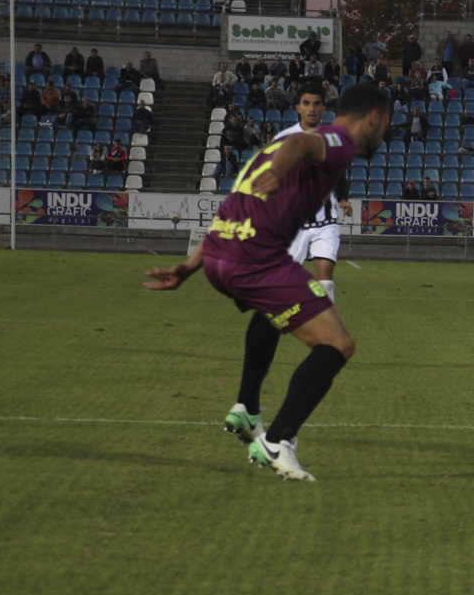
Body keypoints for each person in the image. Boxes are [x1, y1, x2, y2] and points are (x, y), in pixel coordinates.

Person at [144, 85, 390, 482]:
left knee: (274, 316)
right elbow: (303, 146)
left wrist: (188, 268)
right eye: (386, 125)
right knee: (337, 344)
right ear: (375, 118)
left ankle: (247, 407)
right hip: (255, 259)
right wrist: (278, 172)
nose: (384, 135)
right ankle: (278, 441)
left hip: (219, 257)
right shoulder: (337, 140)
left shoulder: (273, 147)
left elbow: (234, 202)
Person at [282, 84, 353, 305]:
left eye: (317, 104)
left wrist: (342, 198)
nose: (312, 109)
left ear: (323, 108)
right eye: (306, 103)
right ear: (298, 108)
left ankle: (325, 330)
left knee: (326, 283)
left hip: (325, 220)